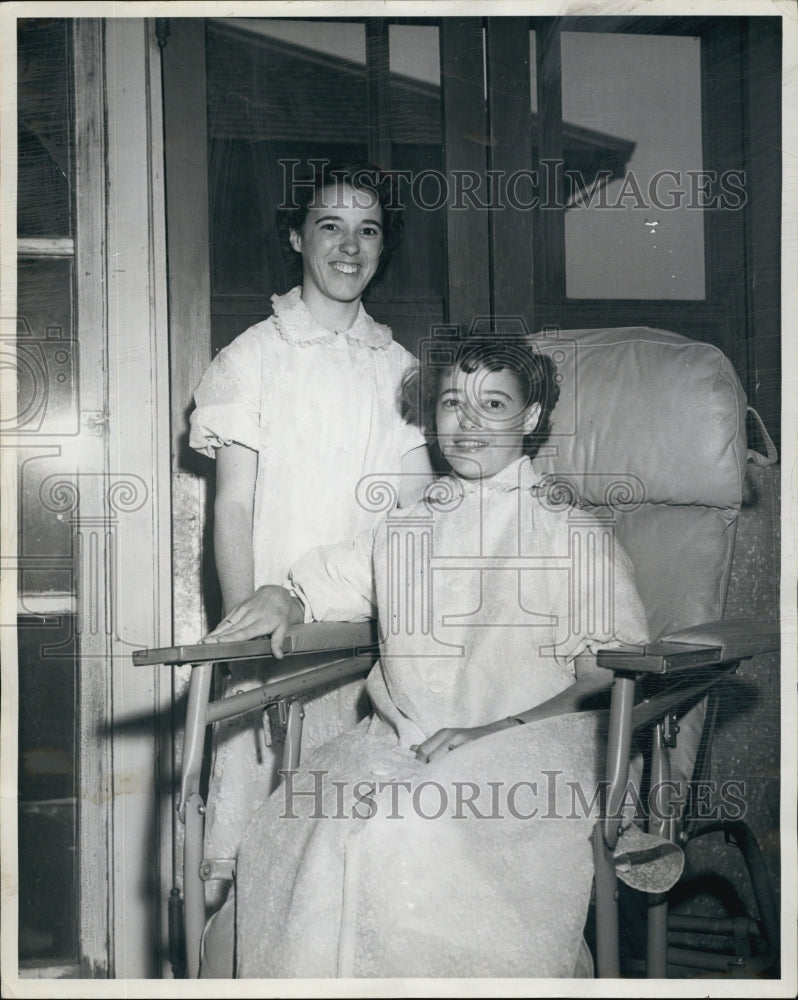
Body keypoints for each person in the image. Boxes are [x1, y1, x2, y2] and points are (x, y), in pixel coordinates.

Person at [203, 334, 683, 978]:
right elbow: (329, 581)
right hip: (402, 744)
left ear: (531, 418)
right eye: (453, 403)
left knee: (405, 833)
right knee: (300, 822)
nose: (468, 423)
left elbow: (606, 675)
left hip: (538, 747)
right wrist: (286, 598)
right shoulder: (405, 527)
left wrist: (490, 731)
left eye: (494, 404)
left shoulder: (569, 534)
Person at [188, 161, 433, 909]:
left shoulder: (404, 375)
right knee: (252, 861)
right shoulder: (251, 358)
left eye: (369, 231)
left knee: (350, 874)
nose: (349, 247)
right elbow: (231, 508)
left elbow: (412, 523)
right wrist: (246, 647)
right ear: (296, 236)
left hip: (368, 649)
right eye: (330, 226)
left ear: (384, 247)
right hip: (275, 644)